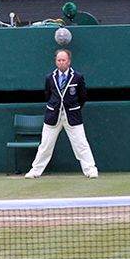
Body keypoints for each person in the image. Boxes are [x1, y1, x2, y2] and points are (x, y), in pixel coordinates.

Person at [24, 49, 98, 179]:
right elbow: (48, 94)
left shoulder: (78, 77)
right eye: (59, 60)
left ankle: (90, 169)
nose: (61, 62)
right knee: (45, 145)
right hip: (53, 116)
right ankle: (35, 170)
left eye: (64, 60)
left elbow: (83, 97)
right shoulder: (49, 77)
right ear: (55, 61)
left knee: (81, 144)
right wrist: (55, 107)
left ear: (69, 61)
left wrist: (73, 108)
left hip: (72, 117)